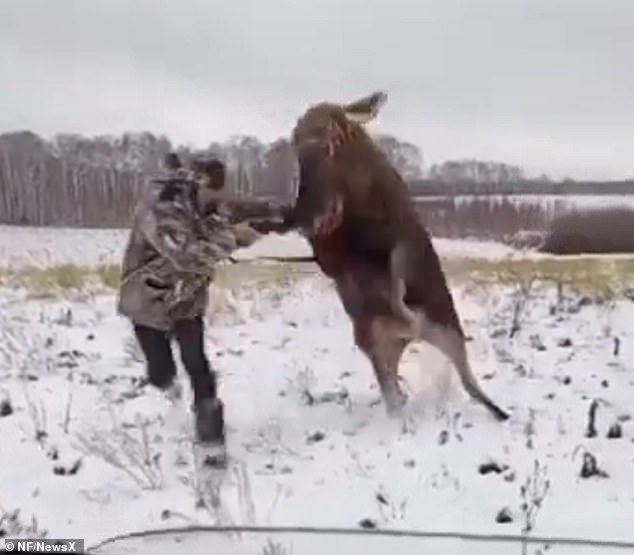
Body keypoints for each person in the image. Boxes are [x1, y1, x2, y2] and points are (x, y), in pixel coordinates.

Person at [117, 152, 290, 458]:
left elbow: (239, 209)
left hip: (188, 300)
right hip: (148, 301)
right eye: (214, 194)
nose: (219, 203)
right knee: (161, 372)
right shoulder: (160, 209)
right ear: (198, 186)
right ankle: (167, 384)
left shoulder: (207, 204)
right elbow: (185, 256)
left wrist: (282, 215)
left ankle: (212, 442)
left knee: (197, 363)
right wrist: (235, 239)